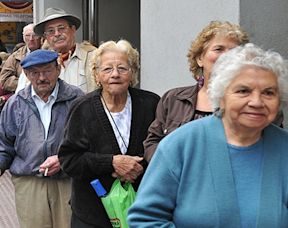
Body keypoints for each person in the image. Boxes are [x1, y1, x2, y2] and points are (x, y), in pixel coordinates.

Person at [128, 43, 288, 227]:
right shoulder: (181, 145)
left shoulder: (284, 149)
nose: (256, 102)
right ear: (221, 96)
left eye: (269, 93)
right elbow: (145, 220)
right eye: (243, 91)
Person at [58, 40, 161, 227]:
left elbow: (163, 152)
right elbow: (69, 160)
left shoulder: (151, 104)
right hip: (92, 214)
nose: (115, 74)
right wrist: (111, 162)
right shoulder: (82, 109)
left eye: (123, 68)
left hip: (142, 211)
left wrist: (136, 167)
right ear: (96, 75)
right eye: (107, 69)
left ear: (133, 73)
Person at [0, 50, 84, 227]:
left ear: (58, 69)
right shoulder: (15, 103)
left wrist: (64, 158)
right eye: (34, 73)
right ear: (26, 74)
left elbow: (89, 141)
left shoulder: (76, 99)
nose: (41, 78)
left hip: (68, 180)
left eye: (47, 71)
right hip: (29, 182)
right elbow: (3, 143)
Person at [143, 21, 250, 161]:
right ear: (200, 58)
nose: (227, 56)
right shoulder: (173, 99)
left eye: (234, 51)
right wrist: (171, 166)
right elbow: (152, 143)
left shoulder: (254, 103)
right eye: (219, 49)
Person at [34, 7, 97, 93]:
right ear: (46, 37)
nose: (57, 34)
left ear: (73, 30)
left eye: (61, 28)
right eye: (51, 31)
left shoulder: (93, 57)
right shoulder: (39, 62)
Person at [0, 23, 42, 92]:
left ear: (40, 36)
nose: (31, 39)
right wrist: (25, 84)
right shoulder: (15, 56)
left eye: (34, 35)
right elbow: (4, 79)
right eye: (27, 35)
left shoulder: (49, 53)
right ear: (23, 38)